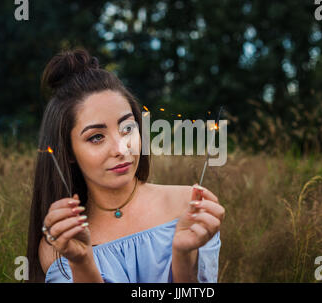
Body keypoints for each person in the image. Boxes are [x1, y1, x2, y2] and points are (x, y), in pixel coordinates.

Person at [26, 47, 225, 283]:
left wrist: (183, 258)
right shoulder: (60, 242)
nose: (121, 149)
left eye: (127, 128)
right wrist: (83, 263)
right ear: (68, 151)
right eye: (96, 137)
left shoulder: (189, 207)